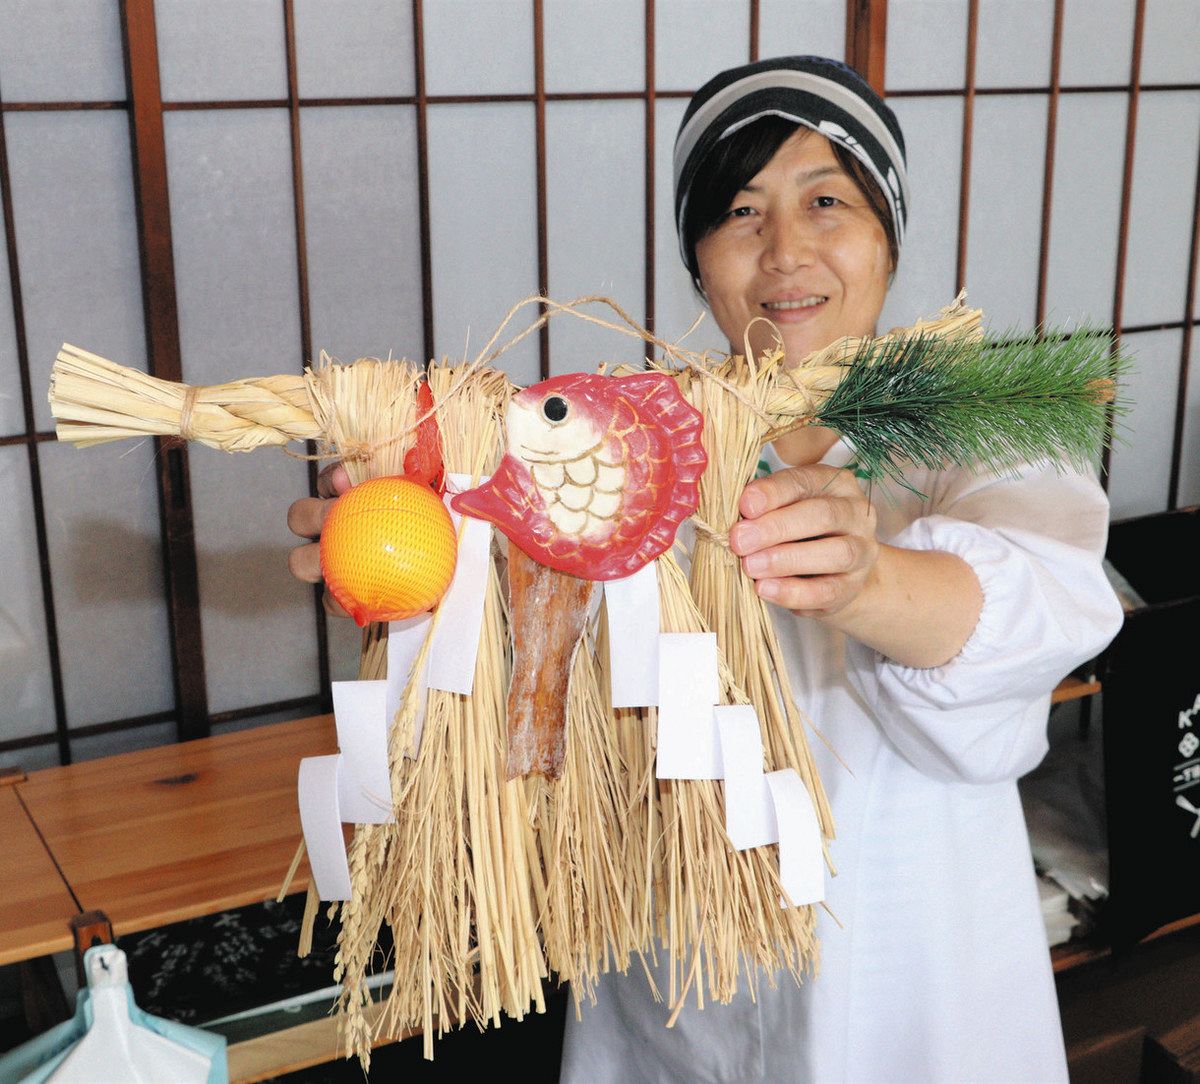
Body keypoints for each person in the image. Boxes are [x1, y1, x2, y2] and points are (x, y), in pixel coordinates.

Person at [288, 55, 1123, 1082]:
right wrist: (410, 561)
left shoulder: (982, 429)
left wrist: (867, 581)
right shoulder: (628, 440)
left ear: (887, 237)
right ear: (698, 258)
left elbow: (1041, 605)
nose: (786, 251)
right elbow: (527, 691)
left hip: (917, 962)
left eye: (828, 201)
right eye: (740, 212)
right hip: (678, 961)